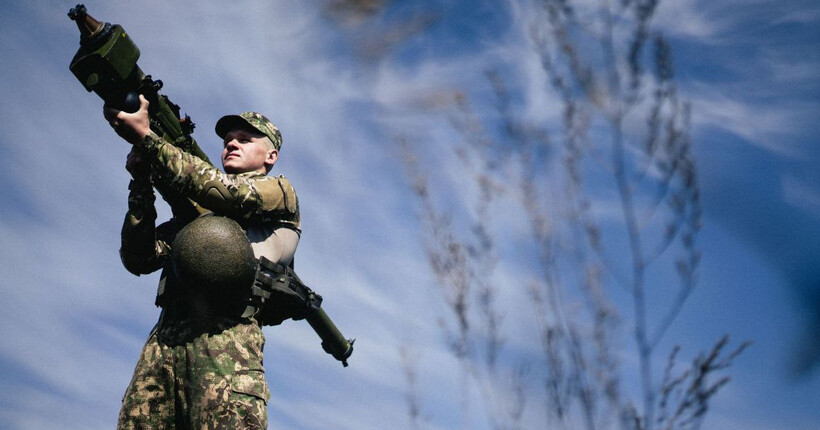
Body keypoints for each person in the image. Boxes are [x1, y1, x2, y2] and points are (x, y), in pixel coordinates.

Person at [105, 95, 300, 429]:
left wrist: (149, 141)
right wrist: (141, 185)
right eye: (227, 141)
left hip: (227, 342)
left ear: (271, 156)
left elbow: (225, 191)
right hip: (165, 344)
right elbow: (139, 258)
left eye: (244, 139)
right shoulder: (200, 216)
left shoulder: (278, 192)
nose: (232, 145)